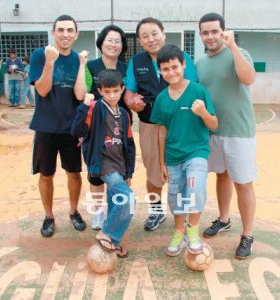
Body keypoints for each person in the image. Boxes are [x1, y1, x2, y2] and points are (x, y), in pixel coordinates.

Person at [124, 17, 199, 231]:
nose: (151, 39)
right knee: (153, 171)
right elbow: (129, 92)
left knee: (183, 172)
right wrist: (132, 102)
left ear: (164, 34)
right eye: (145, 36)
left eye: (155, 34)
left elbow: (193, 87)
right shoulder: (136, 62)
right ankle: (156, 212)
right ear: (139, 40)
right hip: (149, 124)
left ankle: (182, 215)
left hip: (180, 125)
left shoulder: (182, 58)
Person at [197, 13, 257, 259]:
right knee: (221, 175)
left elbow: (248, 78)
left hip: (239, 131)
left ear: (224, 31)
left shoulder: (239, 53)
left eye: (215, 31)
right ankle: (223, 219)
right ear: (200, 35)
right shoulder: (199, 63)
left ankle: (248, 235)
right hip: (212, 130)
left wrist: (232, 47)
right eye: (205, 32)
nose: (210, 36)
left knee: (243, 182)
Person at [150, 44, 217, 256]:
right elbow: (161, 132)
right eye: (165, 69)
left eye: (175, 67)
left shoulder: (198, 91)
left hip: (196, 152)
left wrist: (203, 112)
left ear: (183, 65)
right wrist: (161, 162)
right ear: (159, 70)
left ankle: (193, 230)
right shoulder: (161, 98)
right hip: (172, 156)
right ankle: (180, 232)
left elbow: (213, 124)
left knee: (195, 189)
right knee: (176, 197)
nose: (171, 72)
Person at [30, 15, 89, 238]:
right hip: (45, 127)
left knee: (74, 172)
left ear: (76, 34)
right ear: (53, 32)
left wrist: (82, 66)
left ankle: (73, 212)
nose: (65, 34)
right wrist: (49, 62)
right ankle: (49, 216)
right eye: (61, 30)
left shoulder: (77, 60)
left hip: (70, 128)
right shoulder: (40, 55)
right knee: (46, 174)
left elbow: (80, 94)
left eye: (70, 30)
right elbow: (42, 90)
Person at [71, 69, 136, 258]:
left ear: (122, 89)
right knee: (128, 199)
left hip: (120, 165)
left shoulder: (124, 114)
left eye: (116, 91)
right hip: (104, 163)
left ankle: (113, 242)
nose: (112, 95)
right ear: (100, 91)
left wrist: (129, 172)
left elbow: (129, 143)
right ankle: (107, 234)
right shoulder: (95, 108)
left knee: (116, 201)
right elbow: (76, 130)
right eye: (107, 92)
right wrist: (84, 106)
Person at [85, 24, 131, 230]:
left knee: (118, 171)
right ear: (101, 43)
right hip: (95, 129)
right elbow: (82, 96)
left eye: (117, 41)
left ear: (122, 45)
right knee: (95, 174)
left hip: (118, 128)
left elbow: (129, 95)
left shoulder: (125, 68)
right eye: (109, 40)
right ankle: (97, 212)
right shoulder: (91, 66)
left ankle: (115, 213)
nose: (113, 44)